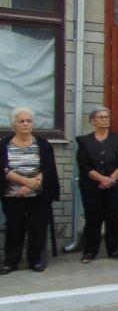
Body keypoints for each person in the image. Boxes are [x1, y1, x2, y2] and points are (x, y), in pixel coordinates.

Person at [1, 107, 60, 274]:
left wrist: (33, 184)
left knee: (37, 227)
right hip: (13, 194)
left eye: (29, 121)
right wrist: (24, 182)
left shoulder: (42, 144)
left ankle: (35, 260)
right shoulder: (4, 144)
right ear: (14, 125)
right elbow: (3, 168)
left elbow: (48, 168)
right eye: (22, 121)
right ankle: (11, 262)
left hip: (39, 193)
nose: (26, 124)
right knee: (14, 227)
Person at [76, 108, 118, 264]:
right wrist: (101, 178)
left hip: (117, 186)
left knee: (113, 218)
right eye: (100, 117)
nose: (104, 120)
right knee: (93, 218)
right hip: (92, 187)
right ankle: (90, 251)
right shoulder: (85, 141)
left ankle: (114, 250)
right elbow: (83, 164)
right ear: (93, 121)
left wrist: (111, 179)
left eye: (106, 117)